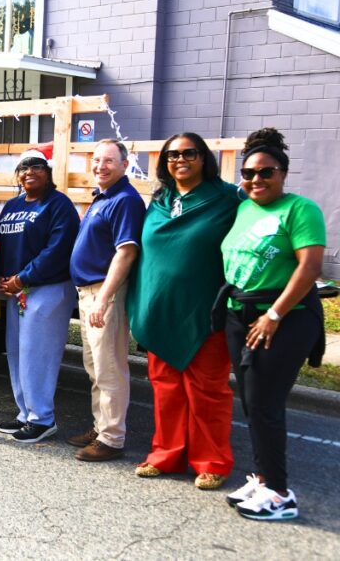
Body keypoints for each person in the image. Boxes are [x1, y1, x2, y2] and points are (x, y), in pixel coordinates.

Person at [218, 128, 326, 522]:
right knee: (250, 401)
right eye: (248, 173)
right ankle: (262, 479)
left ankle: (280, 494)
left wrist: (274, 315)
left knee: (265, 403)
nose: (256, 180)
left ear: (283, 173)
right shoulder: (245, 207)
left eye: (266, 172)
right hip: (240, 314)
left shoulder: (300, 210)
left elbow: (310, 266)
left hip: (285, 317)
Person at [127, 133, 239, 489]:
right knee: (167, 390)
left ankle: (212, 461)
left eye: (189, 153)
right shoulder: (160, 201)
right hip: (162, 311)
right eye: (172, 154)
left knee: (207, 390)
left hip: (205, 311)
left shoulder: (227, 198)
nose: (180, 159)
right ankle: (166, 454)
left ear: (204, 158)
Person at [0, 147, 80, 443]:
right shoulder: (12, 205)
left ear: (48, 173)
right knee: (18, 352)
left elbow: (56, 251)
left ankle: (42, 419)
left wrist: (22, 278)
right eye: (23, 167)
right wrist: (1, 277)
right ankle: (25, 413)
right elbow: (1, 244)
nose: (29, 172)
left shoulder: (59, 205)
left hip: (47, 289)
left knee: (38, 354)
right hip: (16, 290)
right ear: (17, 175)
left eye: (36, 167)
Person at [68, 139, 145, 461]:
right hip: (90, 293)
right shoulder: (103, 197)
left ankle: (112, 438)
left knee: (109, 367)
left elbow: (126, 252)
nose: (100, 166)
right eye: (96, 160)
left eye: (108, 161)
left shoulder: (125, 200)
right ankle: (101, 427)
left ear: (125, 165)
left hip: (104, 293)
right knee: (94, 366)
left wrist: (104, 299)